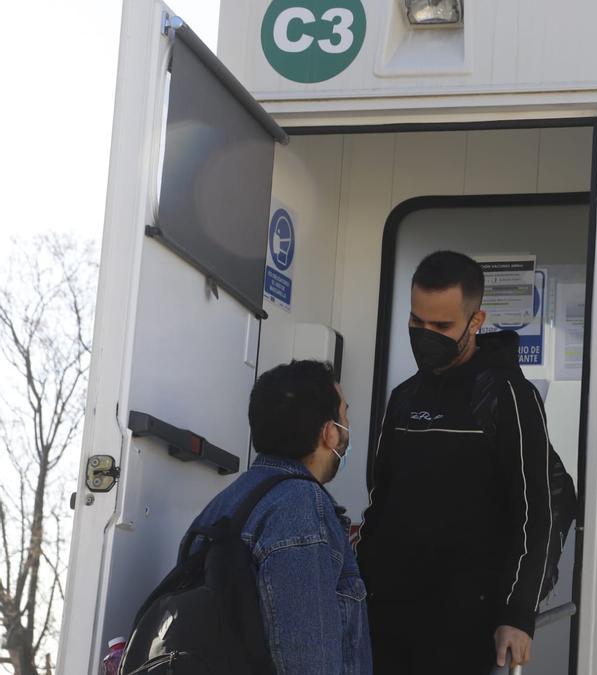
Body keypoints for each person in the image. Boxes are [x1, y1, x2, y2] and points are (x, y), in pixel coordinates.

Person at [357, 251, 553, 674]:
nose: (426, 335)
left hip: (466, 620)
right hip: (387, 613)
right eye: (416, 322)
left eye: (441, 326)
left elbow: (534, 513)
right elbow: (380, 500)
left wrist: (517, 614)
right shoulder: (403, 398)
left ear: (476, 321)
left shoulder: (508, 396)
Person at [185, 360, 371, 673]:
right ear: (329, 434)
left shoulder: (224, 504)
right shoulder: (300, 506)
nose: (347, 426)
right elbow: (309, 661)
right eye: (344, 415)